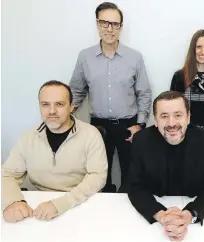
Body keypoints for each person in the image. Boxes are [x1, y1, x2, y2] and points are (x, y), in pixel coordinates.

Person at [69, 2, 152, 192]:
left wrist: (140, 125)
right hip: (97, 128)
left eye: (115, 24)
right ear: (97, 24)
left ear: (120, 27)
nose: (110, 29)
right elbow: (76, 91)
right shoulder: (85, 57)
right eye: (105, 23)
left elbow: (144, 93)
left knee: (131, 178)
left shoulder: (134, 57)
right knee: (99, 180)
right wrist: (67, 118)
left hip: (128, 126)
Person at [1, 81, 107, 223]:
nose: (51, 111)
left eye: (59, 104)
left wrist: (61, 204)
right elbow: (7, 174)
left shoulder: (91, 135)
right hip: (40, 207)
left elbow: (98, 177)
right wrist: (13, 201)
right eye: (45, 104)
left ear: (71, 107)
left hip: (81, 204)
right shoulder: (28, 138)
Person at [128, 91, 204, 241]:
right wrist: (161, 216)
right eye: (164, 116)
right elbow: (135, 186)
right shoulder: (141, 141)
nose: (171, 123)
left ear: (188, 117)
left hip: (197, 223)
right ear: (155, 120)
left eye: (178, 115)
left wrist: (189, 215)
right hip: (152, 222)